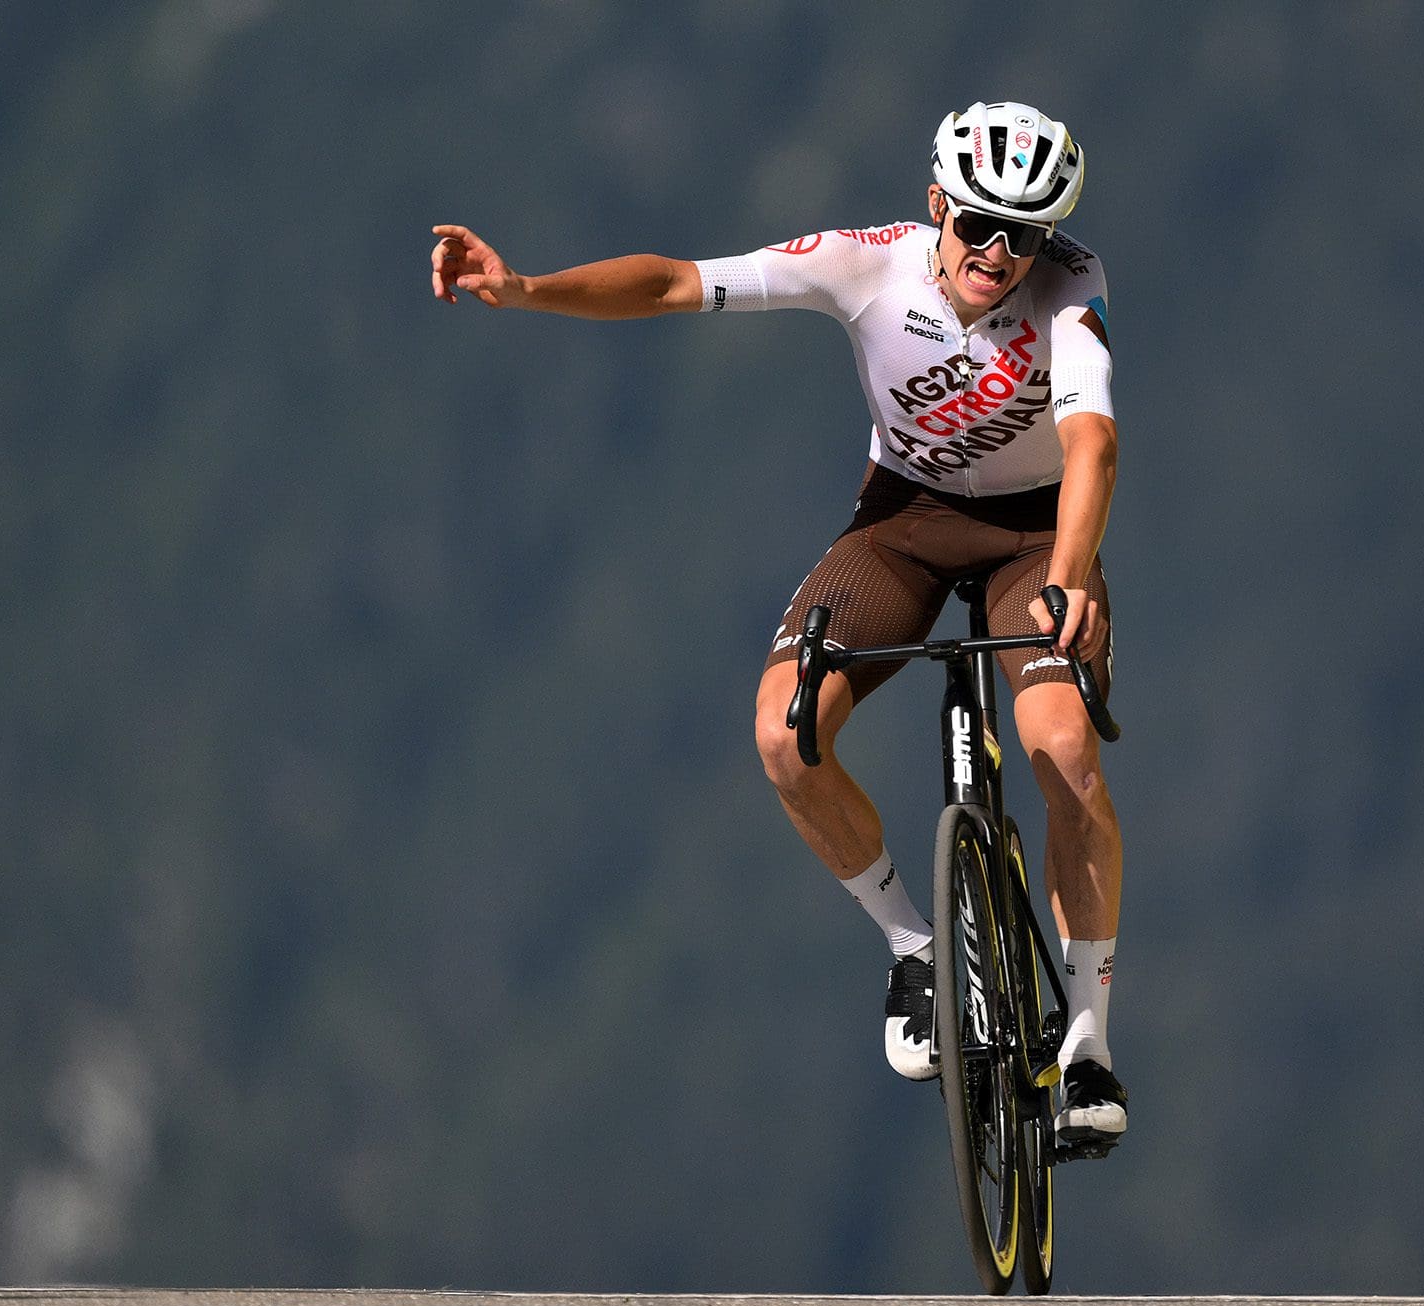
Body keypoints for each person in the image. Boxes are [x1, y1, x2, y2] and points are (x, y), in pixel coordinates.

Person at [428, 102, 1128, 1144]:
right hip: (904, 521)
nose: (998, 253)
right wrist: (526, 288)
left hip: (1036, 536)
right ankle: (914, 949)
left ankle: (1088, 1046)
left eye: (1022, 235)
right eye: (979, 224)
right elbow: (673, 283)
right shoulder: (866, 263)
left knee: (1063, 753)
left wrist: (1068, 579)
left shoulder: (1070, 282)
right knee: (782, 736)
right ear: (935, 206)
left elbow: (1090, 446)